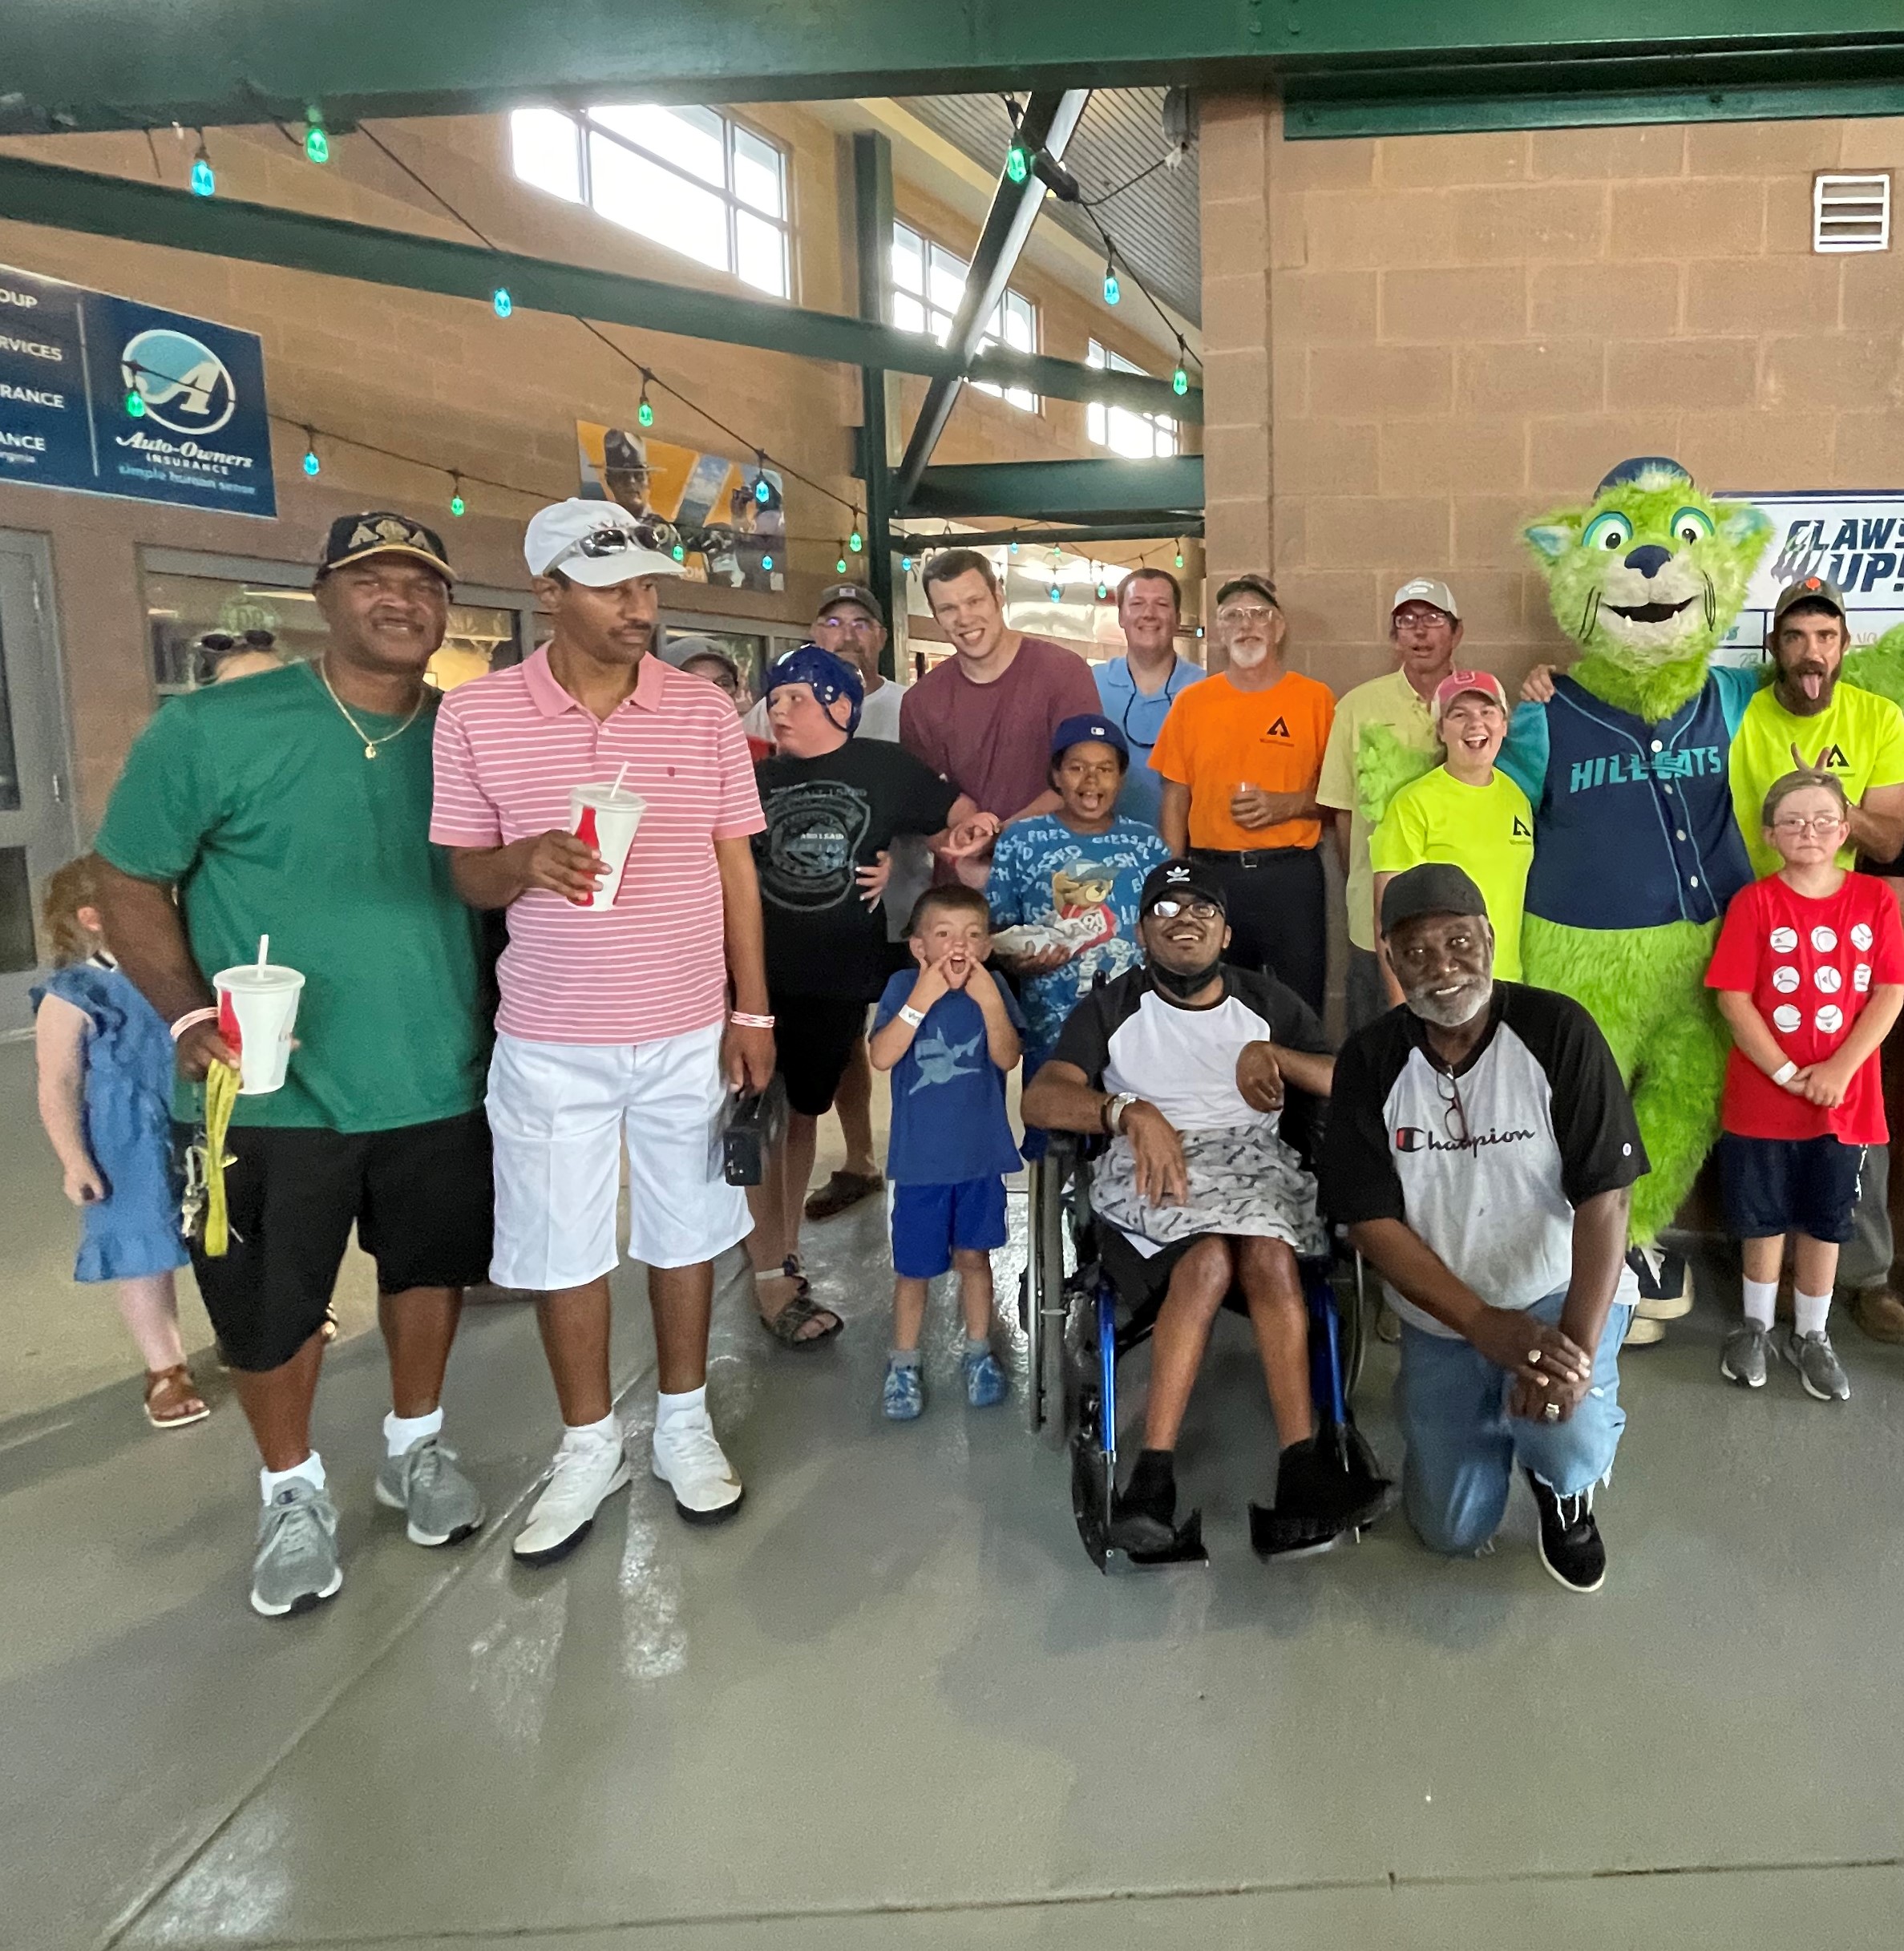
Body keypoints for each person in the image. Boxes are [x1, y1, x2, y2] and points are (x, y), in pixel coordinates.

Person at [94, 511, 493, 1618]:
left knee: (427, 1272)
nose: (401, 600)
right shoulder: (216, 730)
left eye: (422, 582)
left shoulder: (465, 735)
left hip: (435, 1074)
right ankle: (290, 1490)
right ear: (320, 595)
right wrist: (181, 1018)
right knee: (268, 1304)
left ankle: (414, 1445)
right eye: (372, 579)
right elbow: (127, 876)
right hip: (262, 1090)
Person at [431, 497, 771, 1557]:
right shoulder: (476, 717)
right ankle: (587, 1443)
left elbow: (733, 865)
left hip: (682, 1026)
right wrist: (525, 858)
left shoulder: (700, 711)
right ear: (547, 594)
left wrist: (748, 1005)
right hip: (551, 1032)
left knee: (686, 1229)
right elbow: (464, 874)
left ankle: (681, 1418)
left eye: (648, 585)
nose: (640, 604)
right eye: (613, 586)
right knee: (559, 1245)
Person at [1021, 858, 1379, 1554]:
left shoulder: (1265, 1002)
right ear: (1141, 930)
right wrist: (1126, 1109)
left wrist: (1270, 1054)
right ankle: (1150, 1478)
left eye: (1200, 911)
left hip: (1253, 1164)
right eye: (1165, 909)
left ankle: (1301, 1468)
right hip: (1151, 1168)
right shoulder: (1113, 1007)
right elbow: (1042, 1097)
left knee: (1270, 1257)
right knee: (1209, 1259)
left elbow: (1344, 1079)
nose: (1183, 921)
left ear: (1225, 934)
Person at [1321, 865, 1647, 1594]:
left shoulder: (1556, 1028)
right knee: (1449, 1532)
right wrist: (1480, 1325)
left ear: (1490, 939)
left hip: (1557, 1293)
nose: (1441, 966)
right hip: (1445, 1315)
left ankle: (1561, 1490)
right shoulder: (1370, 1061)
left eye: (1459, 941)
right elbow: (1370, 1222)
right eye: (1416, 952)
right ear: (1390, 963)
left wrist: (1570, 1351)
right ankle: (1477, 1426)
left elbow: (1607, 1202)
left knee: (1565, 1428)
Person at [747, 644, 965, 1341]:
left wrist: (919, 860)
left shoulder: (882, 767)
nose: (781, 710)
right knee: (756, 1115)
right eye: (774, 698)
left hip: (834, 969)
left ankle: (780, 1248)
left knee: (804, 1111)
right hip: (758, 970)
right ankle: (766, 1270)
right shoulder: (754, 777)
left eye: (797, 698)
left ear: (840, 705)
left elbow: (957, 820)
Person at [1726, 575, 1904, 1348]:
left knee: (1852, 1101)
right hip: (1748, 918)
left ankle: (1859, 1276)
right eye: (1795, 636)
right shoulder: (1739, 706)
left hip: (1845, 930)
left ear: (1843, 646)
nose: (1811, 651)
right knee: (1746, 1097)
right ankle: (1747, 1284)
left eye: (1825, 637)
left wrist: (1829, 804)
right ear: (1774, 647)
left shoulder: (1879, 717)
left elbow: (1891, 842)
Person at [1706, 769, 1904, 1401]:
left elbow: (1889, 992)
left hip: (1844, 1103)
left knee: (1827, 1219)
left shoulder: (1874, 902)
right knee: (1760, 1217)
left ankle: (1812, 1335)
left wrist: (1839, 1070)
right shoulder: (1753, 903)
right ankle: (1755, 1326)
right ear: (1769, 834)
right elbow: (1734, 1000)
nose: (1808, 831)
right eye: (1791, 821)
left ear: (1845, 831)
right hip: (1763, 1099)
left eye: (1822, 820)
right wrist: (1788, 1073)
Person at [743, 582, 906, 1223]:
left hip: (893, 902)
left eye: (861, 622)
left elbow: (924, 796)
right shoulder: (773, 710)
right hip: (797, 914)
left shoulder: (903, 707)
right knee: (823, 1048)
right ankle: (842, 1169)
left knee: (865, 1037)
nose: (847, 632)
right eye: (832, 620)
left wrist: (894, 853)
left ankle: (880, 1159)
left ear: (881, 637)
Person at [31, 854, 203, 1431]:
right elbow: (56, 1082)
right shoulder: (76, 994)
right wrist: (73, 1159)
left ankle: (248, 1331)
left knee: (222, 1232)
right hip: (125, 1144)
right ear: (96, 918)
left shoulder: (183, 969)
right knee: (141, 1253)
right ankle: (165, 1368)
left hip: (196, 1123)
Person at [867, 886, 1025, 1421]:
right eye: (944, 935)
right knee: (913, 1270)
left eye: (972, 936)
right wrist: (921, 1001)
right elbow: (882, 1056)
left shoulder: (994, 988)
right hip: (919, 1165)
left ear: (985, 947)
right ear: (919, 948)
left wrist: (987, 1001)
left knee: (974, 1260)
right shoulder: (901, 987)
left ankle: (978, 1353)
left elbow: (1007, 1056)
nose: (959, 946)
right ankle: (903, 1362)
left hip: (979, 1159)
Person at [1149, 574, 1335, 1012]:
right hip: (1214, 877)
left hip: (1291, 877)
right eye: (1233, 616)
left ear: (1279, 627)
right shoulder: (1192, 703)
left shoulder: (1314, 700)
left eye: (1259, 615)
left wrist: (1285, 805)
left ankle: (1300, 1083)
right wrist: (1173, 881)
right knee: (1215, 1003)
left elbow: (1338, 795)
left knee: (1300, 1005)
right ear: (1219, 631)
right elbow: (1175, 796)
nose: (1247, 624)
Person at [985, 714, 1171, 1081]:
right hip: (1051, 1021)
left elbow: (1165, 925)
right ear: (1056, 776)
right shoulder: (1021, 840)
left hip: (1133, 1019)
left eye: (1105, 769)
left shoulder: (1146, 843)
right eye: (1076, 768)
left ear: (1120, 778)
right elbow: (997, 925)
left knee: (1130, 1121)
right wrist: (1015, 962)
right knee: (1051, 1124)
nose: (1091, 780)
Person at [900, 547, 1101, 883]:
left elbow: (1084, 781)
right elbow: (920, 806)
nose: (964, 618)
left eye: (974, 601)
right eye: (948, 608)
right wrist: (958, 854)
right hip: (964, 897)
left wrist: (999, 838)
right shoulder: (920, 701)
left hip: (1059, 884)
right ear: (936, 616)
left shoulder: (1065, 673)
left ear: (998, 596)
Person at [1317, 579, 1462, 1032]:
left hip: (1460, 904)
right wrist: (1365, 878)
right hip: (1375, 915)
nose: (1420, 632)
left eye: (1433, 619)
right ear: (1394, 636)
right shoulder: (1358, 707)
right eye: (1407, 621)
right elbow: (1342, 813)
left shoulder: (1478, 703)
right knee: (1379, 1038)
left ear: (1456, 632)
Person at [1369, 669, 1534, 1000]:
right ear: (1441, 730)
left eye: (1487, 712)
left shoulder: (1517, 797)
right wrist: (1402, 1006)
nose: (1476, 724)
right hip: (1443, 987)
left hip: (1508, 986)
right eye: (1459, 715)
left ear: (1504, 724)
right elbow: (1387, 920)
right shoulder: (1413, 804)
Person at [1092, 567, 1203, 826]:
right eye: (1137, 604)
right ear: (1121, 616)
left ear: (1177, 618)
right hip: (1103, 846)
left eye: (1161, 604)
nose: (1149, 614)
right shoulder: (1090, 683)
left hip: (1187, 850)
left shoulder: (1204, 688)